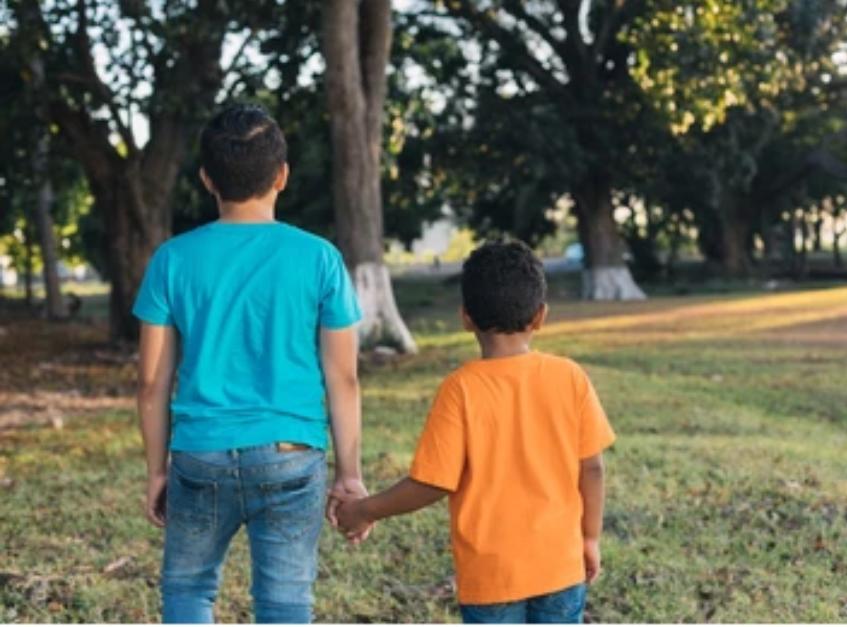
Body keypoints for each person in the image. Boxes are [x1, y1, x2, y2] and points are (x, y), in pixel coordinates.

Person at [134, 103, 368, 623]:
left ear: (206, 179)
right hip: (291, 453)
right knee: (285, 604)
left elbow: (152, 382)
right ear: (282, 175)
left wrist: (156, 471)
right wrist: (349, 474)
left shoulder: (172, 259)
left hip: (199, 455)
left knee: (189, 591)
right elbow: (343, 377)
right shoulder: (320, 258)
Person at [335, 241, 616, 624]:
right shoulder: (570, 377)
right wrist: (590, 538)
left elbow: (432, 483)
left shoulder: (460, 389)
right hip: (561, 569)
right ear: (540, 316)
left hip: (491, 578)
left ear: (466, 317)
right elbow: (593, 470)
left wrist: (366, 510)